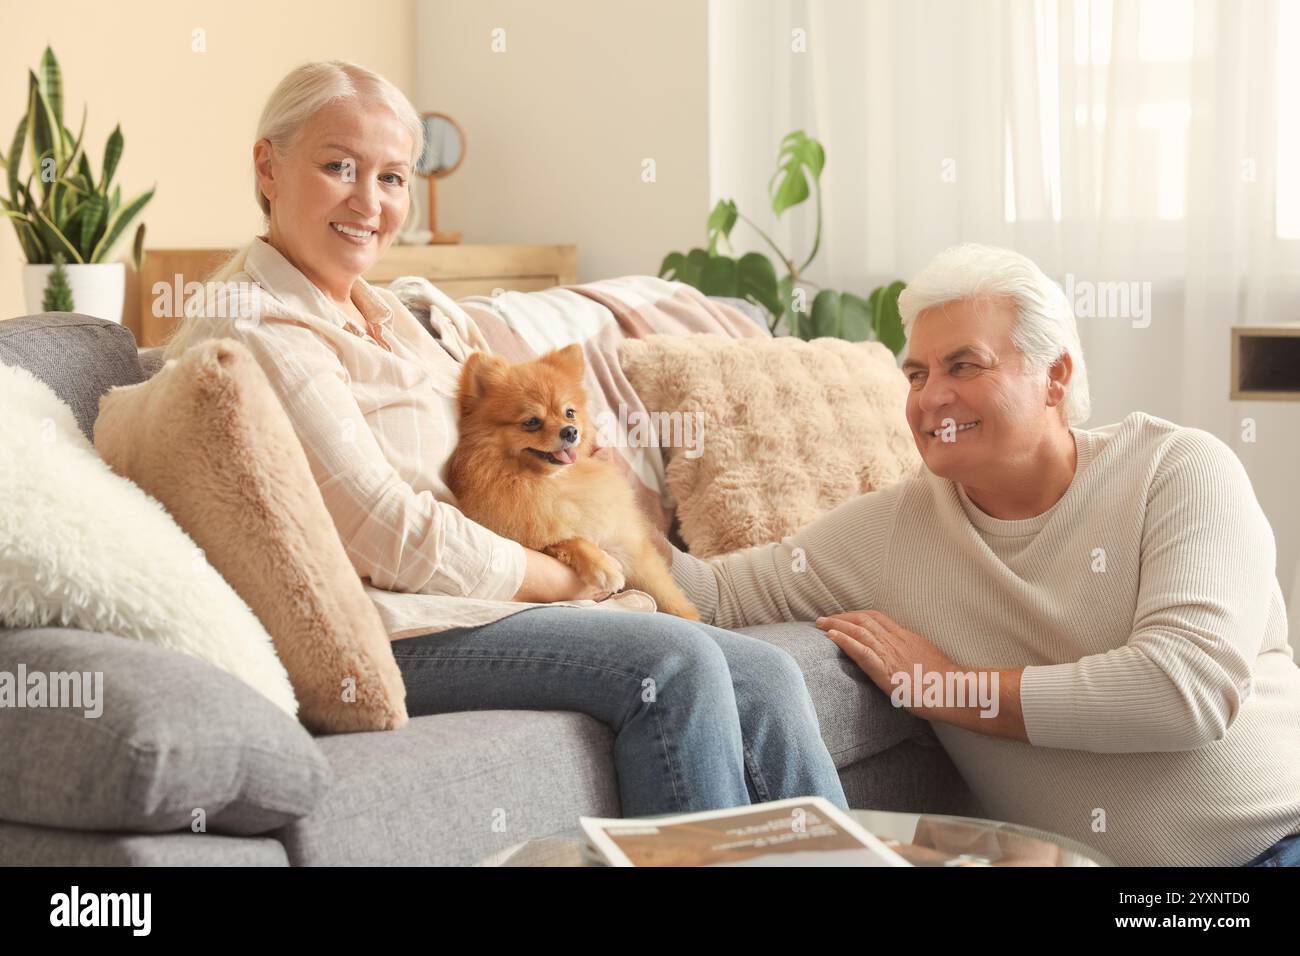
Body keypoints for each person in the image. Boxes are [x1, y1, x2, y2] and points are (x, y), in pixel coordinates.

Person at [160, 60, 847, 819]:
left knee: (768, 676)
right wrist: (564, 578)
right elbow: (387, 531)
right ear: (268, 166)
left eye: (392, 178)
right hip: (395, 628)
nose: (369, 201)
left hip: (479, 598)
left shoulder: (383, 313)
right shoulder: (263, 326)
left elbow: (502, 431)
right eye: (339, 167)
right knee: (675, 663)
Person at [664, 243, 1300, 867]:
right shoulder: (895, 528)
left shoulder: (1178, 470)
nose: (930, 397)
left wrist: (951, 689)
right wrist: (585, 511)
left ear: (1055, 376)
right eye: (917, 374)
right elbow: (714, 596)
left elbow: (1183, 690)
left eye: (964, 366)